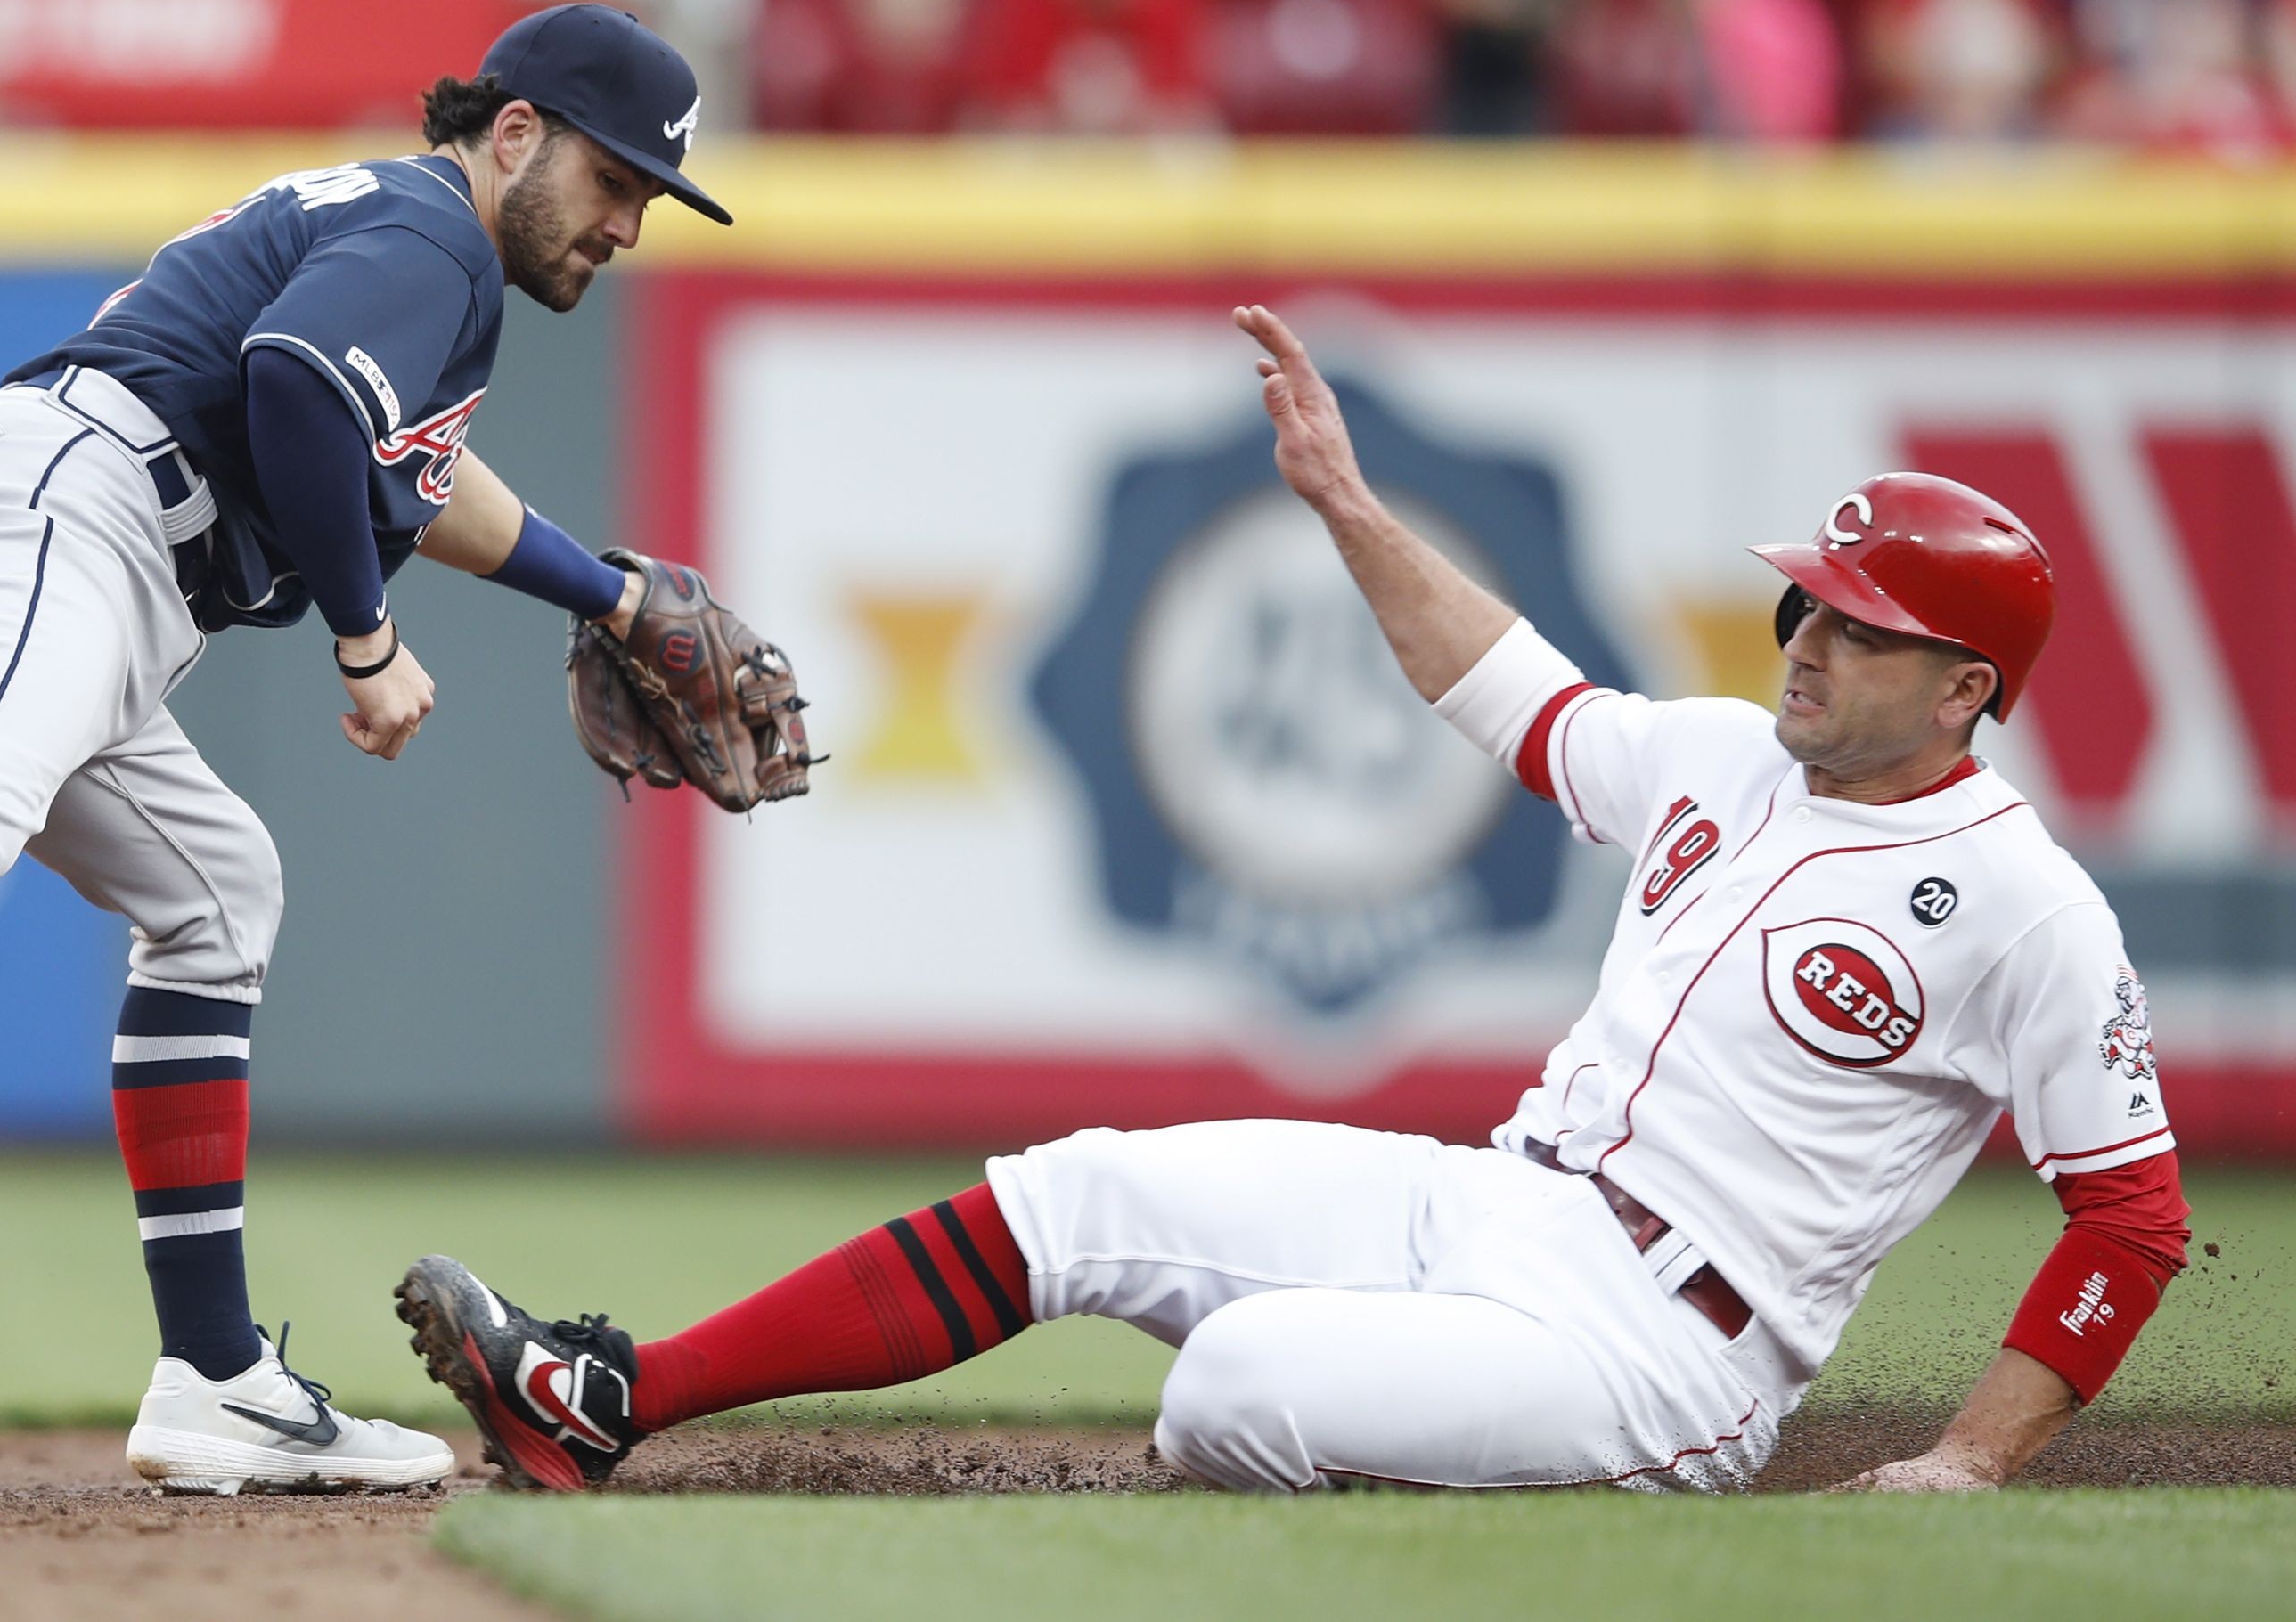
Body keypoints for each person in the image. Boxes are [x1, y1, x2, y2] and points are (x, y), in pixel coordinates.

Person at [397, 302, 2189, 1495]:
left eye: (1858, 618)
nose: (1807, 633)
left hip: (1664, 1346)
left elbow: (2128, 1220)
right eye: (1807, 597)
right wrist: (1338, 498)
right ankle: (601, 1398)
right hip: (1497, 1200)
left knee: (1233, 1380)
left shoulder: (2025, 908)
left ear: (1965, 686)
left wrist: (1967, 1456)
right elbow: (1502, 683)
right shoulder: (1723, 753)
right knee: (1076, 1189)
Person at [0, 4, 750, 1495]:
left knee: (218, 894)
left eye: (649, 196)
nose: (629, 221)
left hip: (74, 535)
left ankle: (216, 1378)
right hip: (62, 513)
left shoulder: (411, 235)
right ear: (513, 135)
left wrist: (610, 592)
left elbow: (408, 472)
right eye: (615, 179)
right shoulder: (433, 240)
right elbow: (299, 377)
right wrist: (364, 640)